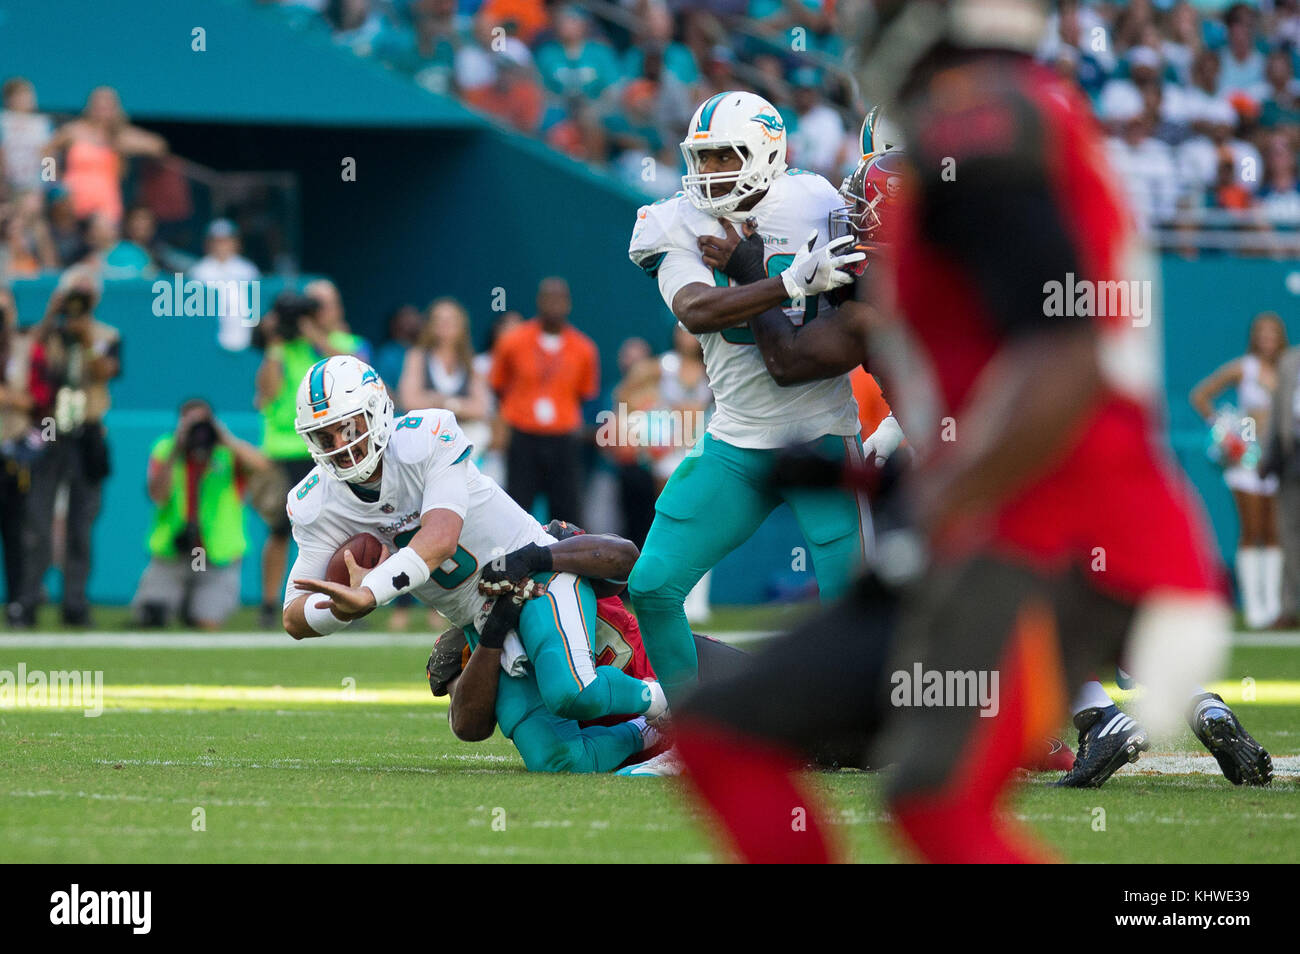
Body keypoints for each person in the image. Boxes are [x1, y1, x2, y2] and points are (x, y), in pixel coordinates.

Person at [674, 0, 1269, 865]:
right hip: (1048, 525)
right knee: (894, 788)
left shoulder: (984, 124)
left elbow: (1061, 358)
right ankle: (1173, 706)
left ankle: (1113, 713)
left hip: (1047, 530)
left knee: (892, 783)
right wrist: (880, 484)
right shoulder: (1005, 123)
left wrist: (932, 513)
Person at [624, 89, 870, 719]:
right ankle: (695, 736)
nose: (708, 175)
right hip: (736, 441)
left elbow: (867, 297)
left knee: (854, 607)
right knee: (652, 586)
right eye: (700, 160)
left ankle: (865, 729)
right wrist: (787, 281)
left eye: (723, 158)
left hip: (822, 432)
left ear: (766, 152)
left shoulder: (820, 201)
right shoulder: (674, 221)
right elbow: (695, 309)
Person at [280, 355, 668, 731]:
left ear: (378, 409)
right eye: (323, 435)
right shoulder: (315, 501)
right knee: (550, 752)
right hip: (480, 621)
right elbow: (292, 616)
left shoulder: (425, 436)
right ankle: (646, 736)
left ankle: (668, 701)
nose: (340, 445)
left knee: (571, 692)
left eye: (348, 428)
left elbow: (439, 540)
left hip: (534, 580)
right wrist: (341, 609)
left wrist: (370, 592)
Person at [432, 519, 752, 774]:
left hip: (675, 666)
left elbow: (625, 557)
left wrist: (534, 558)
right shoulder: (465, 633)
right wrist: (493, 635)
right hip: (609, 734)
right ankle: (655, 730)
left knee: (783, 715)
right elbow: (468, 725)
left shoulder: (552, 552)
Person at [12, 268, 120, 627]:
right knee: (38, 522)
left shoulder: (106, 335)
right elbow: (28, 356)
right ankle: (27, 601)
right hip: (51, 429)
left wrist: (86, 338)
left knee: (81, 524)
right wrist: (51, 312)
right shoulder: (51, 335)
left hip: (87, 432)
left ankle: (75, 604)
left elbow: (105, 371)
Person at [252, 290, 348, 629]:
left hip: (325, 447)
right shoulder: (277, 350)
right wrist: (274, 344)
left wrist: (314, 336)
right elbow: (265, 394)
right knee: (279, 529)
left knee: (337, 527)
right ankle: (268, 603)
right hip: (282, 449)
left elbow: (351, 368)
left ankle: (341, 600)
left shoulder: (331, 341)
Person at [132, 399, 270, 629]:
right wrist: (177, 448)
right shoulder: (165, 449)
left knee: (205, 620)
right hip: (173, 553)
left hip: (215, 555)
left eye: (203, 424)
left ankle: (194, 607)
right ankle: (179, 603)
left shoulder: (227, 452)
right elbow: (157, 494)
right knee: (151, 616)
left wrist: (224, 437)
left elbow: (263, 467)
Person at [1190, 312, 1287, 629]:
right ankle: (1254, 606)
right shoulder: (1242, 368)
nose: (1267, 340)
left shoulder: (1289, 369)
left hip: (1279, 458)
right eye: (1262, 333)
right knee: (1252, 529)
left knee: (1275, 533)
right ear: (1254, 337)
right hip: (1246, 459)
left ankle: (1273, 605)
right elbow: (1200, 395)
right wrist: (1226, 434)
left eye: (1273, 334)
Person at [489, 277, 599, 525]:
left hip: (563, 437)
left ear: (569, 304)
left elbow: (585, 394)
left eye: (559, 299)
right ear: (538, 301)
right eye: (548, 298)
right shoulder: (512, 341)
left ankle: (566, 563)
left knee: (567, 510)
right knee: (516, 507)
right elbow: (498, 386)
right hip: (522, 435)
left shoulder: (584, 348)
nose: (554, 305)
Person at [44, 86, 167, 225]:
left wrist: (122, 141)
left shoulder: (119, 137)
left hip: (106, 208)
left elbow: (158, 146)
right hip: (70, 206)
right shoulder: (74, 131)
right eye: (98, 105)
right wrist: (53, 185)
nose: (102, 111)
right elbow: (46, 151)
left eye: (107, 106)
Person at [398, 297, 490, 459]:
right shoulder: (417, 356)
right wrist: (459, 407)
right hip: (425, 442)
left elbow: (481, 408)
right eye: (439, 320)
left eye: (451, 320)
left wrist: (440, 401)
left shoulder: (471, 363)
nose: (445, 325)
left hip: (463, 444)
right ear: (430, 325)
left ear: (462, 325)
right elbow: (409, 401)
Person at [0, 285, 35, 613]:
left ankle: (20, 603)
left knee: (18, 532)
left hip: (16, 450)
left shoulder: (26, 346)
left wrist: (14, 398)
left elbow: (43, 395)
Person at [191, 219, 260, 352]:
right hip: (208, 337)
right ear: (208, 244)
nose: (222, 246)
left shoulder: (248, 269)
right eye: (217, 241)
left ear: (236, 243)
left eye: (226, 240)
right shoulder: (199, 271)